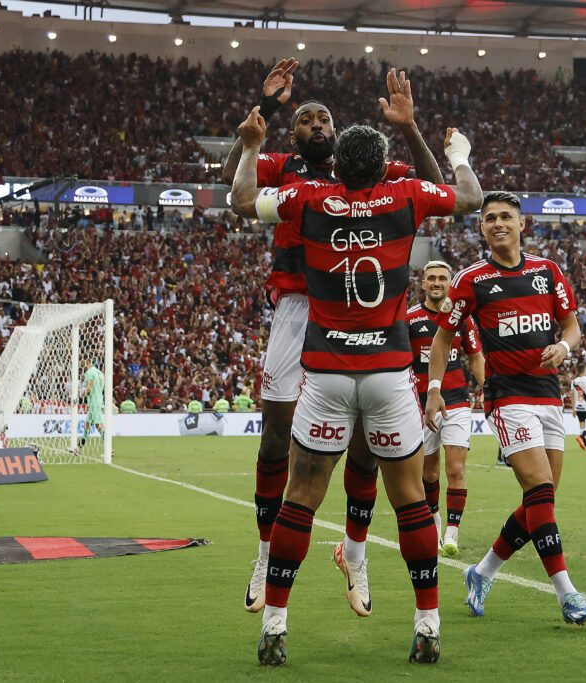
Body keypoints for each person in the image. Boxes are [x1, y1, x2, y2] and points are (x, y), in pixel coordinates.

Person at [232, 104, 482, 665]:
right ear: (383, 168)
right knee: (412, 501)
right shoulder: (405, 198)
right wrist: (459, 155)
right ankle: (428, 626)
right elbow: (465, 197)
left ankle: (274, 624)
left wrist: (250, 147)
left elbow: (242, 202)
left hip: (325, 369)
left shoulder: (309, 199)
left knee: (301, 495)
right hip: (389, 373)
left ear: (339, 165)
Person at [425, 191, 586, 627]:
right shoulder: (471, 280)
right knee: (540, 492)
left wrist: (563, 345)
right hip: (507, 398)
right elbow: (444, 339)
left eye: (506, 216)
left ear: (523, 225)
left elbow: (572, 325)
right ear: (482, 228)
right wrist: (432, 389)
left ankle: (481, 572)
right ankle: (568, 595)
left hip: (548, 395)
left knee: (540, 502)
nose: (498, 223)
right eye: (489, 218)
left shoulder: (547, 271)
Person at [407, 260, 484, 556]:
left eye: (442, 278)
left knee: (456, 468)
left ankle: (452, 534)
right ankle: (435, 523)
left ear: (450, 284)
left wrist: (485, 386)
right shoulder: (409, 319)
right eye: (431, 278)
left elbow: (476, 357)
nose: (437, 282)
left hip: (457, 401)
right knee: (428, 475)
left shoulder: (462, 320)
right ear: (423, 283)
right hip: (421, 405)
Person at [73, 363, 104, 454]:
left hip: (94, 403)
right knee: (87, 425)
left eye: (82, 365)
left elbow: (89, 390)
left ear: (86, 363)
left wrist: (80, 396)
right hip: (97, 401)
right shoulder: (100, 373)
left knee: (99, 426)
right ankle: (78, 448)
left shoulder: (90, 372)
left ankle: (109, 449)